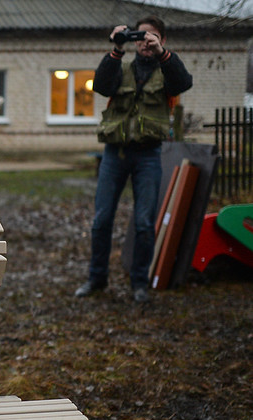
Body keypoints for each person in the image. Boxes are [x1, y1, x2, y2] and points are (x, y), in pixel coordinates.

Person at [75, 15, 192, 303]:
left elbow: (182, 83)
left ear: (161, 40)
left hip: (148, 156)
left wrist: (164, 54)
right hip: (115, 154)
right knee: (101, 220)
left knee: (143, 222)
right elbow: (101, 86)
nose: (144, 42)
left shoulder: (167, 70)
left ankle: (140, 283)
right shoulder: (121, 68)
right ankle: (96, 279)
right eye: (139, 36)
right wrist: (116, 49)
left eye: (150, 37)